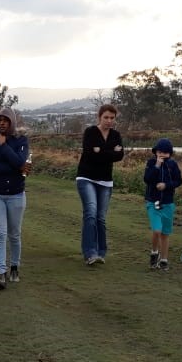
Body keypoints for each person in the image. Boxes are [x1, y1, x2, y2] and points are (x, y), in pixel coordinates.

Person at [0, 107, 30, 290]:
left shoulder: (21, 139)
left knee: (14, 234)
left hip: (17, 193)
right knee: (0, 233)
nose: (2, 122)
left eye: (5, 119)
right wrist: (15, 167)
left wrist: (4, 146)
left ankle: (14, 267)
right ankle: (1, 272)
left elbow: (21, 162)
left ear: (12, 121)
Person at [76, 104, 125, 265]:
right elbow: (90, 154)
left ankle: (101, 252)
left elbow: (120, 156)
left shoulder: (116, 135)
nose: (109, 121)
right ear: (99, 117)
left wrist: (100, 151)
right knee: (90, 213)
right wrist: (110, 152)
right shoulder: (90, 132)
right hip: (86, 178)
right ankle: (90, 253)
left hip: (106, 181)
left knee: (100, 218)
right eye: (106, 117)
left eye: (112, 118)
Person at [143, 138, 182, 270]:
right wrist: (157, 166)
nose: (162, 155)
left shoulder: (173, 165)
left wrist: (166, 185)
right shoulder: (151, 163)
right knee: (157, 230)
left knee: (165, 233)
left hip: (168, 204)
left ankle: (164, 259)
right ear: (155, 152)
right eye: (159, 152)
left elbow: (178, 181)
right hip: (153, 203)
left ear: (170, 154)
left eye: (165, 153)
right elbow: (147, 179)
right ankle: (154, 252)